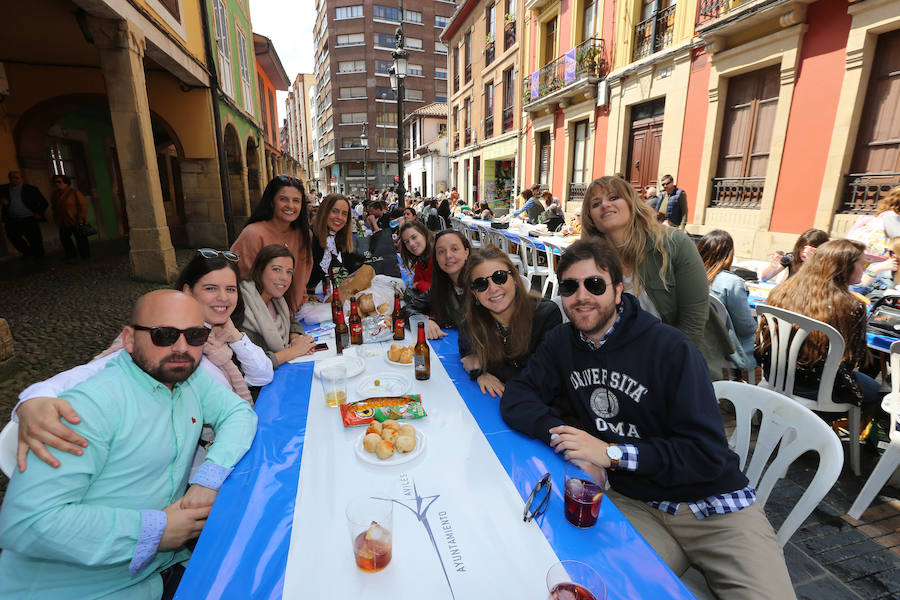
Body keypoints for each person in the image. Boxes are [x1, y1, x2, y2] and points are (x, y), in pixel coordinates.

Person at [500, 238, 795, 600]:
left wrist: (609, 453)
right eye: (569, 286)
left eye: (595, 284)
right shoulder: (563, 342)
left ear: (618, 290)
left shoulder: (670, 349)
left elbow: (704, 455)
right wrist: (572, 441)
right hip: (635, 501)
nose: (581, 296)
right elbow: (517, 398)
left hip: (712, 506)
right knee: (584, 587)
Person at [0, 290, 258, 599]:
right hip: (85, 589)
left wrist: (208, 478)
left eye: (194, 335)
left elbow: (239, 413)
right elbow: (25, 523)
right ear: (128, 339)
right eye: (163, 335)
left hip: (163, 568)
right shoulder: (89, 408)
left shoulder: (186, 378)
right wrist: (154, 530)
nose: (181, 347)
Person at [13, 249, 272, 471]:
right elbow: (95, 371)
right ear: (187, 291)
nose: (224, 298)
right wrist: (35, 400)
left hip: (220, 453)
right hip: (186, 470)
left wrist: (235, 333)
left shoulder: (219, 338)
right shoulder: (159, 339)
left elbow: (261, 375)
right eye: (211, 288)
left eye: (230, 289)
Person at [581, 175, 732, 377]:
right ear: (591, 218)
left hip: (676, 360)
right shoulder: (591, 260)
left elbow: (693, 322)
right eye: (596, 203)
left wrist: (659, 370)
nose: (605, 205)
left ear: (631, 203)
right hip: (617, 363)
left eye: (613, 197)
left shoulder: (675, 244)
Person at [757, 238, 880, 409]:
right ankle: (837, 431)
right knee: (878, 392)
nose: (863, 269)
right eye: (862, 263)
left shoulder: (780, 292)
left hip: (774, 375)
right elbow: (853, 359)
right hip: (817, 389)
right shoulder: (850, 306)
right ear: (845, 267)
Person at [459, 246, 562, 397]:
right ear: (474, 293)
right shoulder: (474, 320)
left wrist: (484, 367)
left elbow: (541, 378)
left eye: (499, 277)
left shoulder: (546, 315)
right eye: (481, 284)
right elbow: (466, 347)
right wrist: (481, 372)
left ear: (514, 278)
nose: (493, 289)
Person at [230, 175, 313, 313]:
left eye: (296, 200)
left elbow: (302, 274)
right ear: (271, 202)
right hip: (259, 316)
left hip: (293, 314)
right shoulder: (253, 234)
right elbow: (241, 281)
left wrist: (302, 300)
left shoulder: (304, 235)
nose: (290, 206)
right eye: (283, 199)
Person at [240, 245, 317, 369]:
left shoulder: (277, 300)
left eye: (289, 272)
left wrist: (295, 338)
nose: (284, 278)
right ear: (260, 269)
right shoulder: (242, 307)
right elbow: (252, 365)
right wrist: (294, 351)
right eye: (276, 269)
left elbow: (290, 321)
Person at [697, 230, 757, 372]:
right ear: (729, 255)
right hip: (727, 351)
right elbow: (746, 327)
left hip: (696, 342)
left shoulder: (688, 274)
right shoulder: (732, 283)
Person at [307, 193, 364, 292]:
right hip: (305, 298)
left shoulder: (338, 237)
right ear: (324, 212)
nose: (339, 217)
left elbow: (350, 266)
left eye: (344, 214)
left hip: (324, 294)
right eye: (334, 211)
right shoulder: (310, 235)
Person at [0, 170, 48, 260]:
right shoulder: (3, 189)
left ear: (21, 178)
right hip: (12, 220)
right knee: (13, 237)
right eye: (11, 178)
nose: (13, 180)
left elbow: (44, 203)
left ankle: (40, 258)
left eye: (16, 178)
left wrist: (39, 213)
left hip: (29, 219)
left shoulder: (31, 189)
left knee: (35, 239)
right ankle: (28, 252)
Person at [759, 228, 829, 283]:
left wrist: (811, 263)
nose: (804, 252)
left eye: (810, 249)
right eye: (803, 247)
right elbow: (764, 278)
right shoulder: (792, 257)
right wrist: (773, 266)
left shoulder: (826, 264)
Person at [50, 174, 90, 261]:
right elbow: (54, 207)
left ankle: (85, 255)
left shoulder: (74, 192)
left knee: (80, 238)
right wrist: (56, 218)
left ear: (66, 182)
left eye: (59, 182)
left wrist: (80, 217)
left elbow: (83, 205)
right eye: (55, 182)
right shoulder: (54, 194)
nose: (57, 184)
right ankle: (71, 254)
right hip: (62, 220)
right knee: (64, 238)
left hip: (75, 219)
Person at [399, 220, 435, 293]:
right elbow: (416, 280)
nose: (411, 244)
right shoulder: (421, 259)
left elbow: (442, 292)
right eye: (407, 242)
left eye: (414, 237)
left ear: (424, 234)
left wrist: (419, 285)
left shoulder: (440, 257)